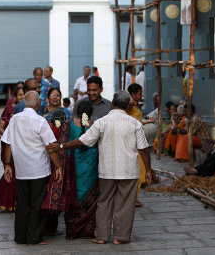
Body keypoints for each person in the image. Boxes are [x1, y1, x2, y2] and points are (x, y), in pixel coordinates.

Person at [46, 91, 152, 245]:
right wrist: (148, 170)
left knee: (104, 203)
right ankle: (120, 237)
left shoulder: (101, 122)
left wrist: (61, 146)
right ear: (125, 105)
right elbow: (144, 149)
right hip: (129, 171)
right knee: (125, 204)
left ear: (113, 103)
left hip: (106, 171)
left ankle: (102, 236)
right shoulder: (135, 123)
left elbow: (83, 141)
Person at [2, 91, 63, 245]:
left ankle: (21, 237)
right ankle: (34, 237)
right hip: (38, 169)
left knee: (22, 204)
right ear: (38, 104)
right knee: (37, 204)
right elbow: (50, 147)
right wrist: (58, 166)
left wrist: (7, 165)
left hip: (22, 170)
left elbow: (7, 143)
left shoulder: (14, 119)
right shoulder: (40, 121)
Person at [63, 100, 99, 239]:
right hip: (91, 166)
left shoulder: (69, 124)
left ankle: (73, 230)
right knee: (90, 195)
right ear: (91, 112)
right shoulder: (95, 125)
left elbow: (64, 144)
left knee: (74, 194)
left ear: (77, 111)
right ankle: (88, 230)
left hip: (74, 165)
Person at [0, 86, 25, 212]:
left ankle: (14, 201)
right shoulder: (9, 109)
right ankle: (4, 201)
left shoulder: (27, 110)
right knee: (11, 171)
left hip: (22, 144)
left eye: (23, 94)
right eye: (20, 95)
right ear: (15, 97)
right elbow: (0, 127)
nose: (22, 97)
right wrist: (10, 135)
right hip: (9, 144)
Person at [127, 83, 155, 207]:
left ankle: (134, 198)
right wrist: (130, 97)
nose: (141, 95)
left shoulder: (135, 108)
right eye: (139, 93)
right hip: (132, 144)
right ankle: (131, 198)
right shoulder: (129, 105)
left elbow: (137, 122)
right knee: (137, 172)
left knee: (139, 172)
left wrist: (147, 121)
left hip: (137, 142)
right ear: (132, 94)